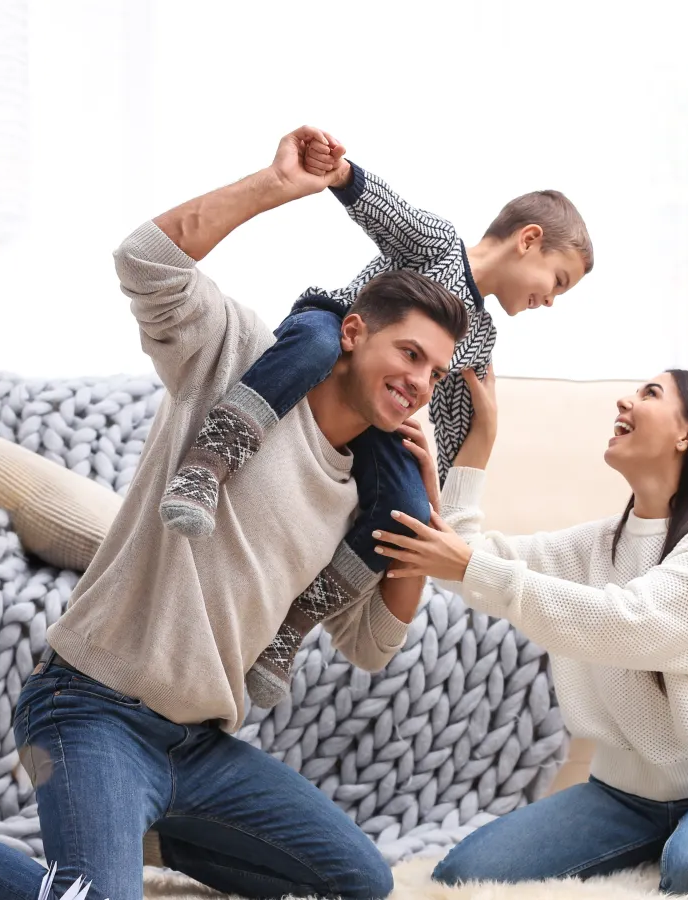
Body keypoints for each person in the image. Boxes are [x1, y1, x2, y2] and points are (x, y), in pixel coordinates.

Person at [0, 127, 467, 900]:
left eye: (437, 372)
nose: (422, 382)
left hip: (201, 748)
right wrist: (275, 186)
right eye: (410, 354)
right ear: (352, 333)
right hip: (87, 712)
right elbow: (144, 260)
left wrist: (429, 518)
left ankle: (128, 836)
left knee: (362, 883)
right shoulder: (243, 356)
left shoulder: (373, 488)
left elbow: (373, 644)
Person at [156, 133, 595, 708]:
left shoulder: (480, 340)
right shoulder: (437, 245)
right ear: (529, 241)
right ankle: (206, 466)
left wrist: (480, 440)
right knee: (315, 345)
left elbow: (454, 427)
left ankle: (291, 628)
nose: (552, 301)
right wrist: (340, 174)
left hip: (378, 417)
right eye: (557, 282)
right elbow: (391, 216)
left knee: (408, 514)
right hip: (334, 333)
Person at [373, 367, 688, 894]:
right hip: (621, 796)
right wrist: (480, 441)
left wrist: (471, 568)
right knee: (464, 874)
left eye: (650, 393)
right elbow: (466, 564)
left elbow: (637, 623)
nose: (625, 399)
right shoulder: (598, 544)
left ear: (687, 434)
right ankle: (664, 841)